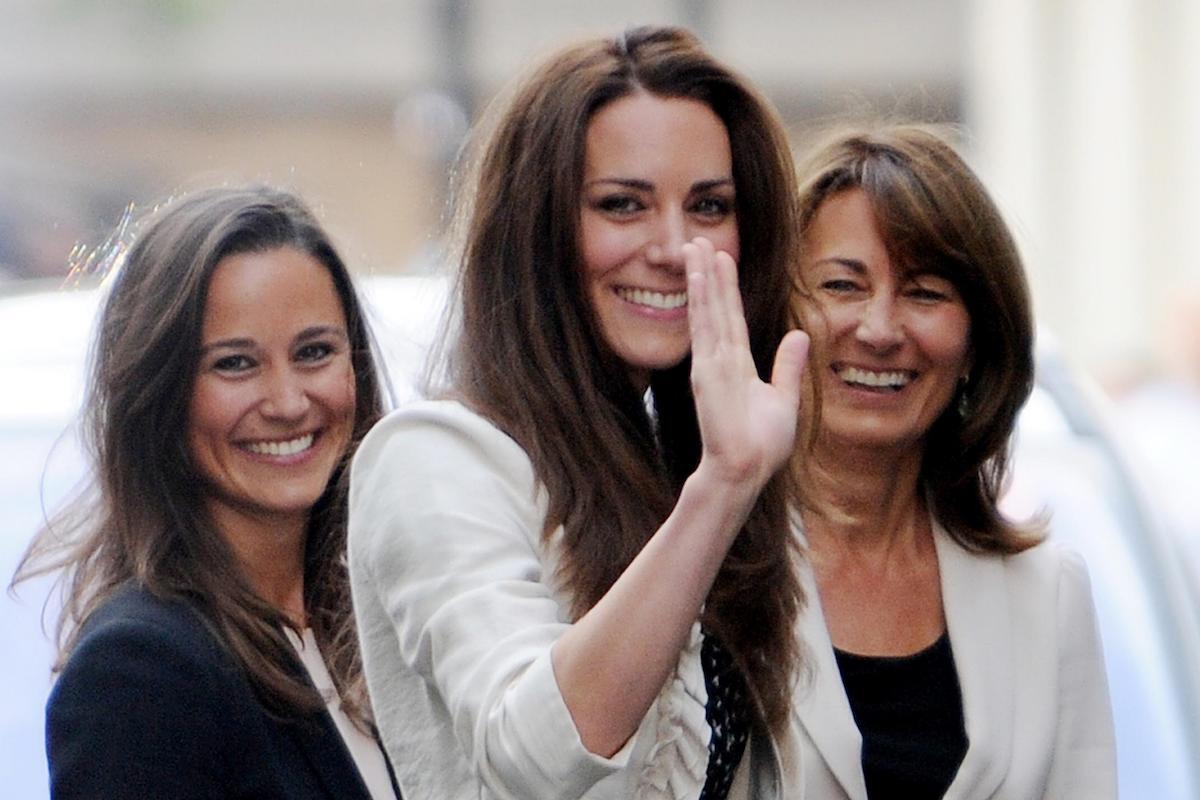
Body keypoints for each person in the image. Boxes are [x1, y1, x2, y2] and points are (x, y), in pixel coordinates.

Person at [348, 26, 810, 799]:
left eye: (709, 206)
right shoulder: (434, 458)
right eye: (622, 205)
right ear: (537, 229)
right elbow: (532, 756)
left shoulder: (692, 456)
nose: (672, 245)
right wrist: (722, 487)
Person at [14, 186, 401, 800]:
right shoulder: (140, 670)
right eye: (235, 364)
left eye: (314, 352)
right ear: (157, 392)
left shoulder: (370, 628)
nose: (288, 402)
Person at [787, 125, 1117, 799]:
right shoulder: (698, 569)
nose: (880, 330)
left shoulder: (1045, 596)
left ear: (977, 341)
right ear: (779, 313)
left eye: (926, 293)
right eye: (843, 285)